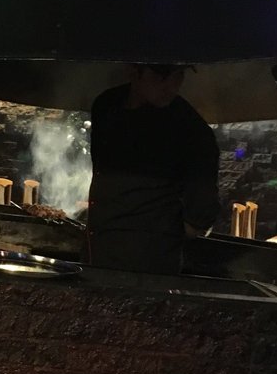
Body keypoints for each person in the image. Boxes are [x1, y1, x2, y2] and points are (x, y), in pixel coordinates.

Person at [86, 64, 220, 274]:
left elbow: (201, 210)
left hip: (149, 260)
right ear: (134, 72)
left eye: (178, 76)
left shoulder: (191, 129)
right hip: (97, 242)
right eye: (161, 76)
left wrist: (161, 234)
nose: (171, 86)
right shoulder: (107, 105)